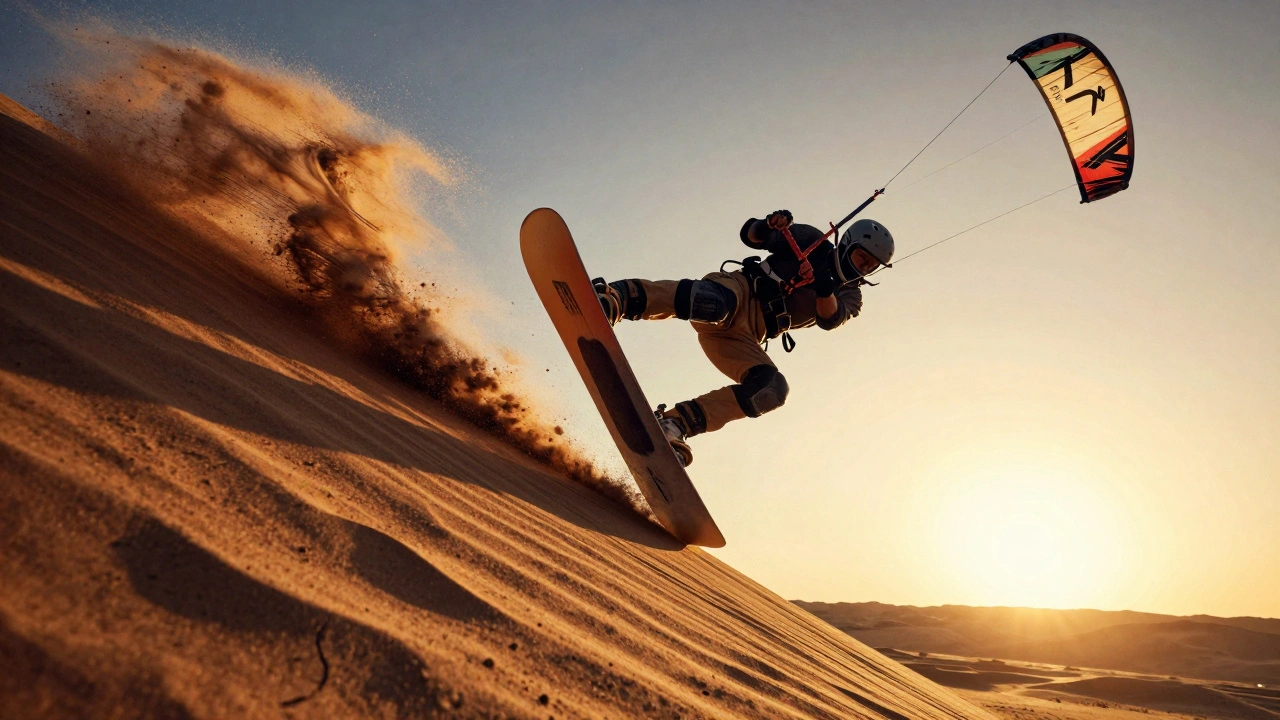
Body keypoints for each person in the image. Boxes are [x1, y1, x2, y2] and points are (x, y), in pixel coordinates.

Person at [594, 210, 893, 466]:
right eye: (861, 258)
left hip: (749, 334)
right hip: (740, 292)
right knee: (714, 303)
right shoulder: (812, 240)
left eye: (870, 266)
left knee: (772, 389)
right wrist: (770, 223)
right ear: (848, 243)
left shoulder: (851, 295)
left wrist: (826, 287)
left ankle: (674, 424)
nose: (863, 268)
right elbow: (752, 235)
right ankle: (617, 298)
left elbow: (831, 319)